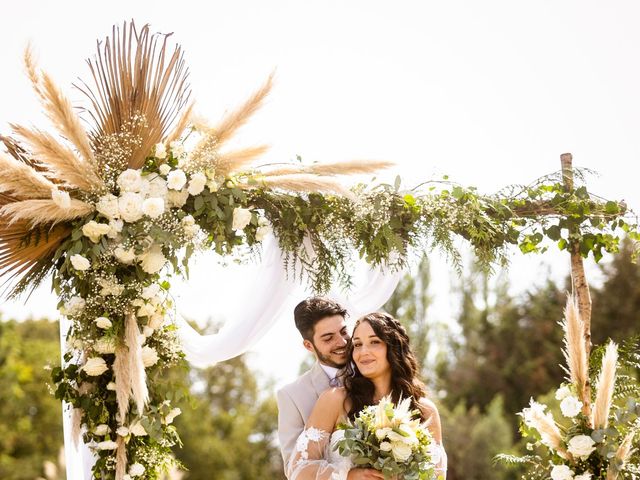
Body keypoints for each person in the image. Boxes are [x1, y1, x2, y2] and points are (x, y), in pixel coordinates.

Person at [285, 312, 447, 480]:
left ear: (393, 347)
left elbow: (437, 475)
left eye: (374, 342)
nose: (363, 352)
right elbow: (298, 470)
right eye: (357, 344)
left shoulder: (425, 410)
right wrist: (349, 476)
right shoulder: (335, 400)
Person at [277, 297, 351, 469]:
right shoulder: (291, 396)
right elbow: (293, 468)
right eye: (328, 338)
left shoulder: (374, 370)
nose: (342, 342)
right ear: (309, 346)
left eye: (344, 331)